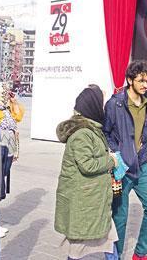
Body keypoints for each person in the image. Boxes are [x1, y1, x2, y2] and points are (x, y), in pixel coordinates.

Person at [104, 60, 147, 260]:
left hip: (142, 164)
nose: (145, 85)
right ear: (129, 80)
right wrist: (116, 152)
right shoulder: (115, 104)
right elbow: (106, 132)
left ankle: (140, 253)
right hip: (122, 166)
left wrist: (145, 148)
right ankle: (115, 256)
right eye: (140, 80)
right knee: (120, 217)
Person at [55, 85, 119, 260]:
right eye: (101, 102)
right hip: (84, 203)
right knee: (78, 247)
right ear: (93, 106)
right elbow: (87, 165)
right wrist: (111, 161)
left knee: (108, 239)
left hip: (92, 201)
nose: (103, 107)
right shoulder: (82, 133)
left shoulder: (90, 129)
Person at [0, 82, 24, 238]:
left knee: (0, 184)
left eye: (6, 92)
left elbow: (19, 116)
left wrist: (14, 101)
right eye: (2, 92)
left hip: (7, 151)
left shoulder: (6, 107)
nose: (5, 95)